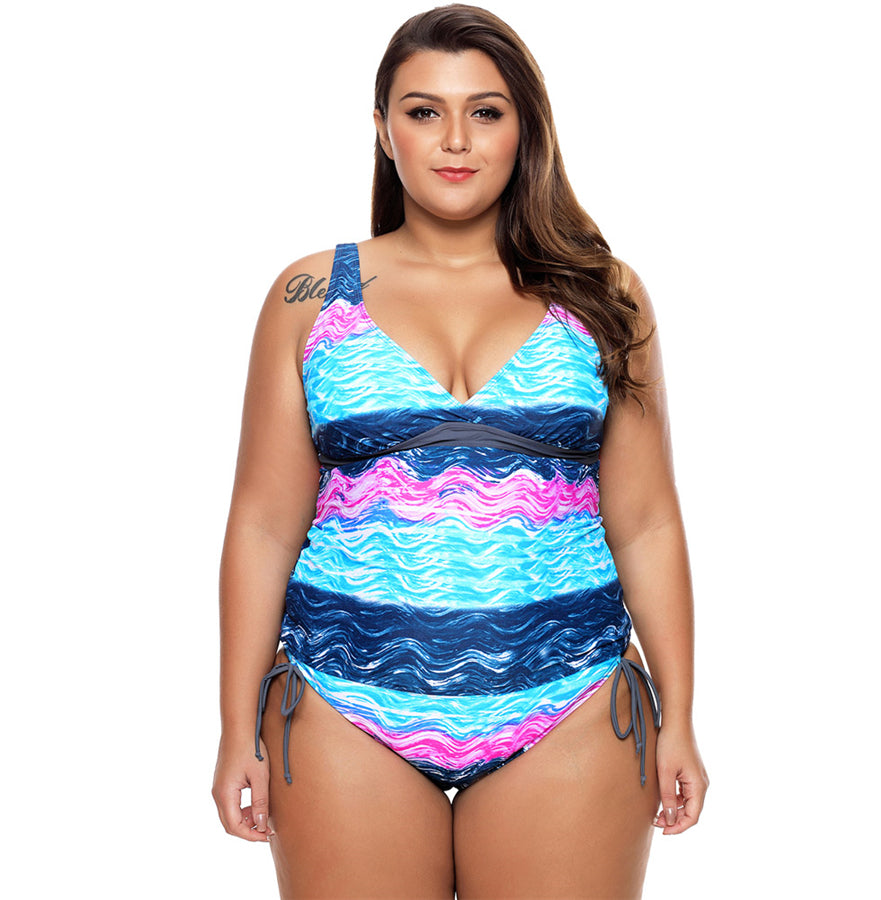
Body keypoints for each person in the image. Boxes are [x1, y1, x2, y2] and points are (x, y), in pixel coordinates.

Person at [212, 4, 708, 897]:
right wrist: (231, 728)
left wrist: (681, 717)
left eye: (485, 111)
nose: (454, 140)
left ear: (525, 127)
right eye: (423, 111)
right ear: (382, 128)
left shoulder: (602, 294)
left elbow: (645, 522)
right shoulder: (310, 295)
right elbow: (261, 524)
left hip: (571, 701)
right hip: (342, 703)